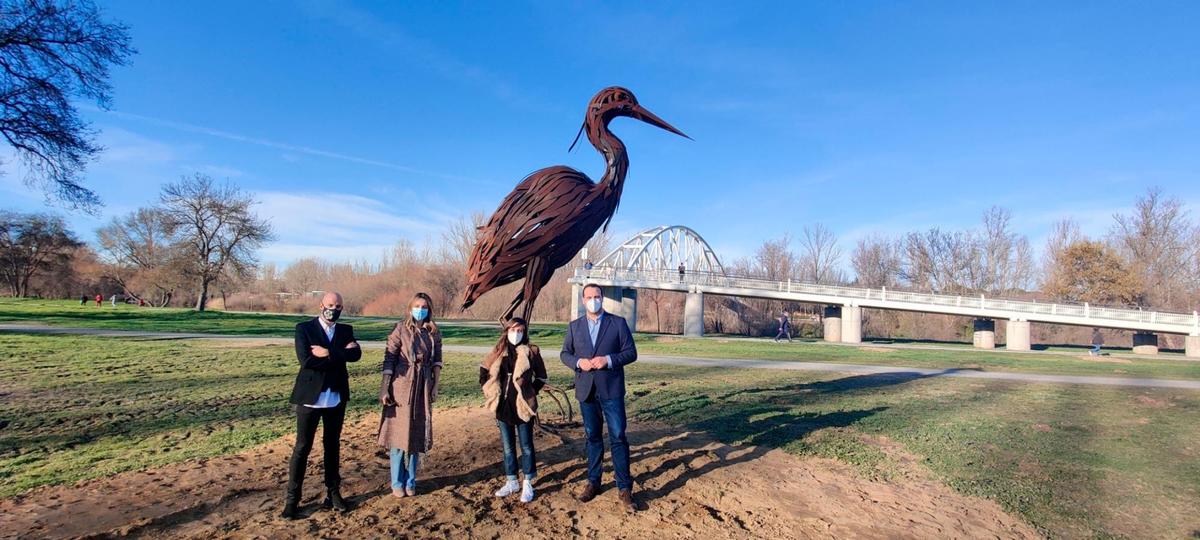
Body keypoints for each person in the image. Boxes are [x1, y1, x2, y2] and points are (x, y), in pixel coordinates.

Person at [281, 292, 361, 520]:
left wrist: (328, 353)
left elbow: (356, 355)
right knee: (302, 447)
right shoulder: (304, 328)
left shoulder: (345, 330)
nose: (333, 309)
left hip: (335, 396)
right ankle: (292, 499)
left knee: (332, 445)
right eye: (329, 305)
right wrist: (339, 355)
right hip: (310, 397)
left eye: (337, 306)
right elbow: (306, 360)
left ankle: (333, 493)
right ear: (321, 305)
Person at [560, 283, 639, 512]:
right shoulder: (575, 327)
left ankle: (624, 487)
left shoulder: (618, 323)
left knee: (618, 436)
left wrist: (609, 360)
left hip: (611, 390)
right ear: (583, 300)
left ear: (602, 298)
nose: (593, 300)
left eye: (597, 296)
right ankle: (593, 482)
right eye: (589, 297)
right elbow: (565, 354)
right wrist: (577, 363)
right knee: (593, 437)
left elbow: (631, 352)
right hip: (586, 391)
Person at [378, 292, 443, 498]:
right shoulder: (400, 329)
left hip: (423, 385)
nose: (420, 310)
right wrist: (385, 388)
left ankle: (410, 480)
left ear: (429, 309)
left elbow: (437, 362)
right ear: (410, 307)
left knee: (416, 436)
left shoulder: (433, 332)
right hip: (401, 385)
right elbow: (389, 358)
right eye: (417, 306)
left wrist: (435, 386)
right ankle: (397, 481)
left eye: (424, 306)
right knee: (398, 437)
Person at [479, 317, 547, 503]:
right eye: (513, 330)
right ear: (507, 330)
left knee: (526, 446)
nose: (516, 334)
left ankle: (527, 483)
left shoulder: (531, 351)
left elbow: (542, 377)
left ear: (524, 332)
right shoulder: (499, 350)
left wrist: (530, 392)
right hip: (503, 406)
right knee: (508, 448)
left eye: (520, 330)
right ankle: (511, 481)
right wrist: (490, 390)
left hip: (522, 406)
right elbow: (484, 369)